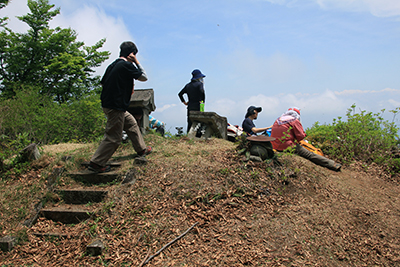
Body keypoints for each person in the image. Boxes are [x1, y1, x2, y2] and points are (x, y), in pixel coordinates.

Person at [88, 41, 152, 173]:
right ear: (131, 54)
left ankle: (141, 149)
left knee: (131, 123)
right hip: (115, 106)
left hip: (111, 104)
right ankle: (96, 163)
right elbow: (144, 77)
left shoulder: (113, 65)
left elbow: (104, 82)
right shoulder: (126, 65)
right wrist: (136, 62)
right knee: (114, 137)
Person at [270, 107, 341, 171]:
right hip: (287, 146)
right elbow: (300, 136)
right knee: (309, 154)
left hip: (275, 146)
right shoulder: (294, 120)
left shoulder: (278, 120)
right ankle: (332, 164)